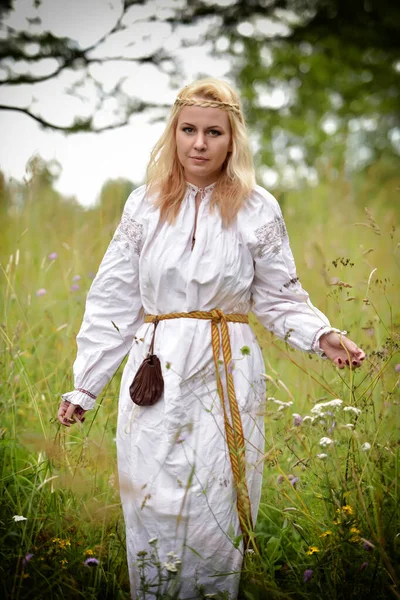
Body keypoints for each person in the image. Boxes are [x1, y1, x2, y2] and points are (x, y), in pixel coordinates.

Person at [58, 77, 365, 599]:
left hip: (227, 366)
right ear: (173, 133)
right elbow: (113, 300)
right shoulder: (144, 205)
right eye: (189, 130)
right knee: (153, 499)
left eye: (213, 132)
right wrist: (85, 385)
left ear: (233, 139)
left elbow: (279, 295)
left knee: (216, 500)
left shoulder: (256, 206)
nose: (199, 143)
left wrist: (322, 334)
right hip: (154, 368)